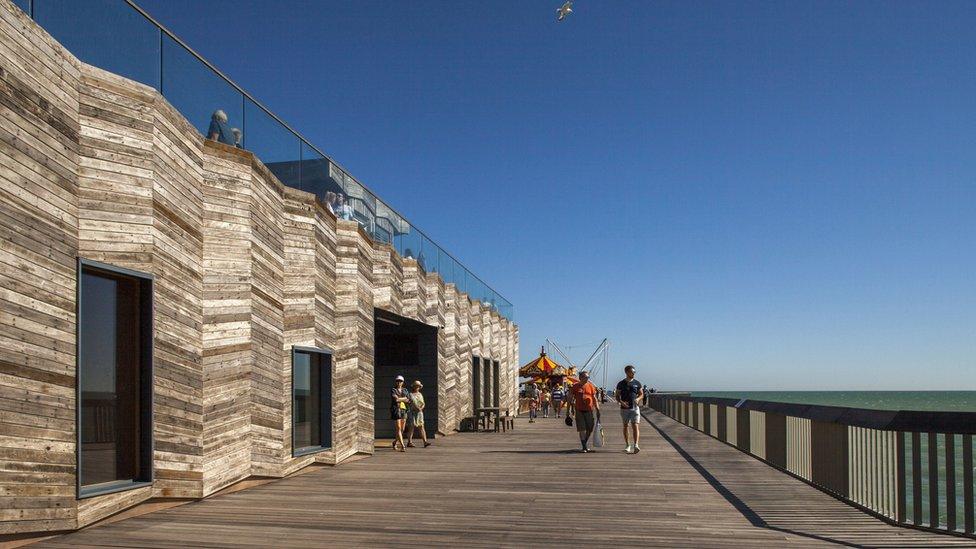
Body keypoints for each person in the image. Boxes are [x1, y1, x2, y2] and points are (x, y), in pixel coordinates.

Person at [615, 365, 644, 454]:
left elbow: (641, 394)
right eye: (632, 372)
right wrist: (621, 402)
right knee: (625, 425)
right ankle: (628, 445)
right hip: (624, 408)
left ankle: (636, 445)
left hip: (635, 408)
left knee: (635, 425)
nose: (634, 373)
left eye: (634, 372)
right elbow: (617, 396)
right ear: (627, 372)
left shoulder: (637, 383)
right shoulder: (621, 383)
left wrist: (638, 399)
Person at [569, 371, 600, 452]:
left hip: (589, 410)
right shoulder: (575, 386)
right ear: (580, 378)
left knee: (590, 428)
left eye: (588, 377)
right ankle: (584, 447)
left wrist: (597, 409)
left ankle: (585, 442)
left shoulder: (591, 386)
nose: (587, 379)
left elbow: (594, 398)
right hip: (579, 410)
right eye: (585, 377)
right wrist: (568, 410)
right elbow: (570, 398)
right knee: (582, 429)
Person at [405, 380, 430, 447]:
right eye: (416, 386)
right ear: (413, 386)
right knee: (411, 426)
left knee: (421, 426)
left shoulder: (420, 394)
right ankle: (409, 442)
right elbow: (410, 403)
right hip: (412, 412)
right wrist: (416, 407)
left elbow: (423, 403)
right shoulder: (410, 394)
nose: (417, 387)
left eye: (418, 386)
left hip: (420, 412)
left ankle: (425, 442)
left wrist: (421, 408)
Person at [390, 375, 410, 452]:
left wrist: (401, 399)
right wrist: (404, 398)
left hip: (404, 410)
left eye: (400, 381)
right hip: (396, 410)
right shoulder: (393, 390)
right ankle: (402, 445)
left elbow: (408, 400)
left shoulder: (405, 390)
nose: (399, 382)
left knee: (402, 429)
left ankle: (395, 442)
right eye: (397, 381)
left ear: (403, 382)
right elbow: (396, 400)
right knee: (398, 428)